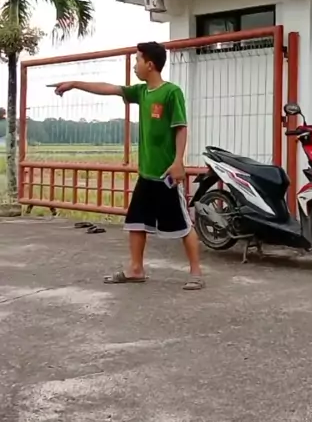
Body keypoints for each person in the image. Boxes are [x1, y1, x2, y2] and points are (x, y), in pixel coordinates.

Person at [50, 41, 204, 290]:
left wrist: (178, 162)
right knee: (137, 222)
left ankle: (196, 273)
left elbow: (181, 128)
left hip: (166, 174)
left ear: (150, 65)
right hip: (146, 174)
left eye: (137, 60)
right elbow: (108, 88)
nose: (134, 65)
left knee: (183, 225)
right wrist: (75, 83)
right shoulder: (141, 92)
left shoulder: (171, 92)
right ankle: (135, 269)